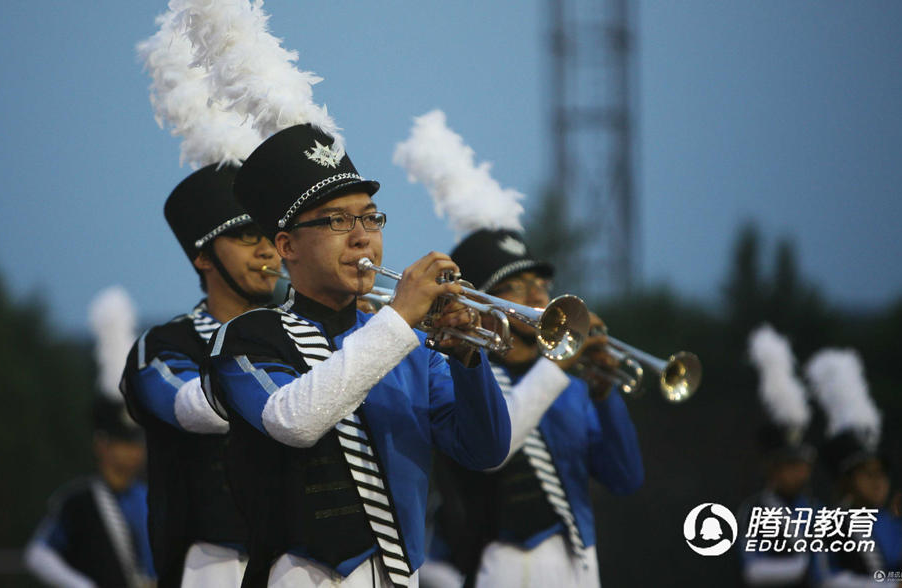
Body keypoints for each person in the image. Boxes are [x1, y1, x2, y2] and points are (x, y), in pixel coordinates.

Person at [200, 123, 512, 587]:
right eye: (337, 221)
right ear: (287, 246)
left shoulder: (408, 346)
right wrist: (401, 316)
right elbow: (294, 421)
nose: (363, 237)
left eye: (370, 218)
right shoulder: (247, 338)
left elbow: (486, 451)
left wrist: (468, 360)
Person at [425, 227, 644, 588]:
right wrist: (557, 366)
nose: (538, 296)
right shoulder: (463, 379)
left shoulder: (570, 388)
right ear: (480, 302)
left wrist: (604, 396)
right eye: (515, 286)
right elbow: (494, 450)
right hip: (494, 565)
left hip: (577, 563)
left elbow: (626, 478)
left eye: (542, 284)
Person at [121, 164, 279, 586]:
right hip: (212, 564)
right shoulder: (162, 345)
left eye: (271, 234)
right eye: (246, 235)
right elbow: (193, 408)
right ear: (203, 256)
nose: (268, 251)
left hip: (299, 559)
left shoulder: (298, 333)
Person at [806, 349, 902, 588]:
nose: (878, 482)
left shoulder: (893, 522)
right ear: (848, 480)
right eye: (868, 474)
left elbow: (894, 576)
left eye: (881, 473)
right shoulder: (830, 525)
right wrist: (894, 586)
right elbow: (827, 580)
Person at [25, 397, 155, 587]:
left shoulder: (150, 498)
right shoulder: (79, 502)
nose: (135, 451)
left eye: (138, 443)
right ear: (102, 445)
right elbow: (38, 555)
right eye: (125, 442)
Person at [737, 324, 823, 587]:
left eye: (803, 465)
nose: (800, 472)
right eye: (791, 465)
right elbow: (754, 570)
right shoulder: (755, 511)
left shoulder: (818, 511)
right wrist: (807, 565)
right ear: (773, 469)